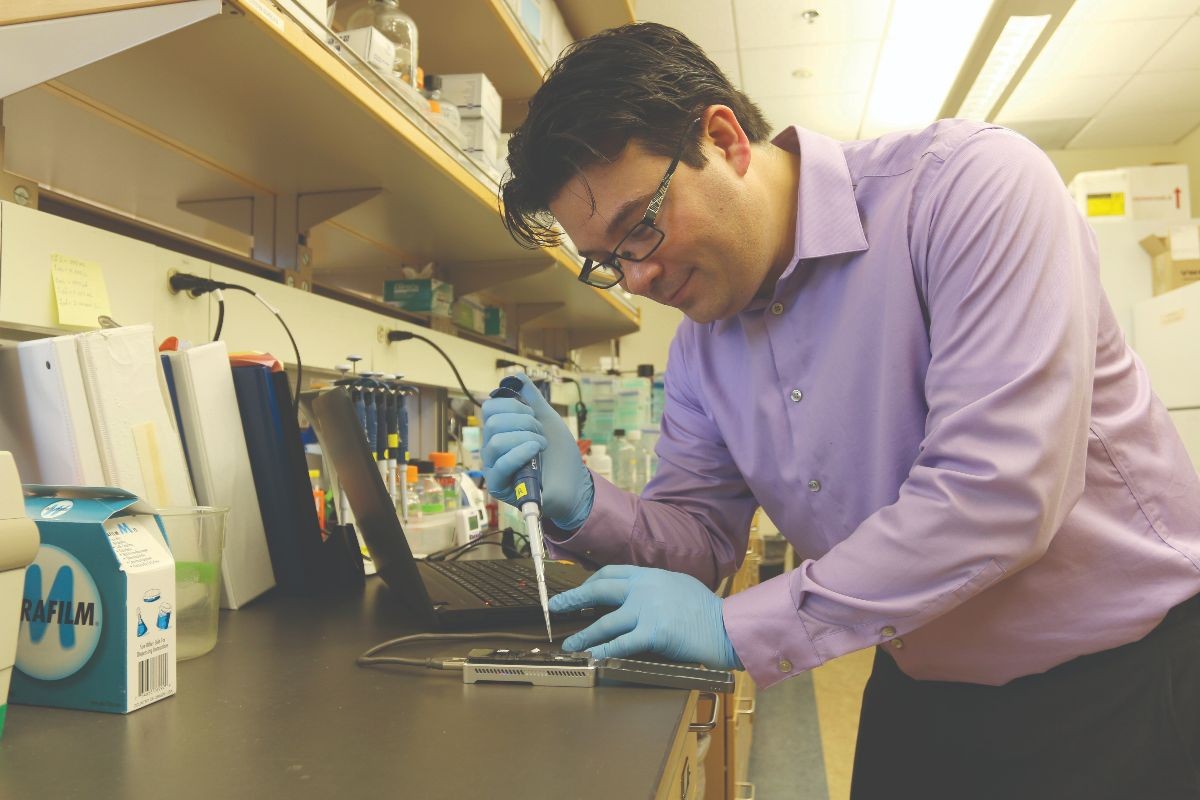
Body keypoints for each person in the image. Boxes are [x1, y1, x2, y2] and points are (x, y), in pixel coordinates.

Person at [480, 22, 1200, 798]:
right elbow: (700, 539)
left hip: (1123, 684)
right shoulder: (700, 346)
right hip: (918, 684)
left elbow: (998, 493)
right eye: (609, 261)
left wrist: (736, 629)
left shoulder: (969, 189)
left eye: (639, 228)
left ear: (723, 138)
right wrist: (587, 505)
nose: (641, 277)